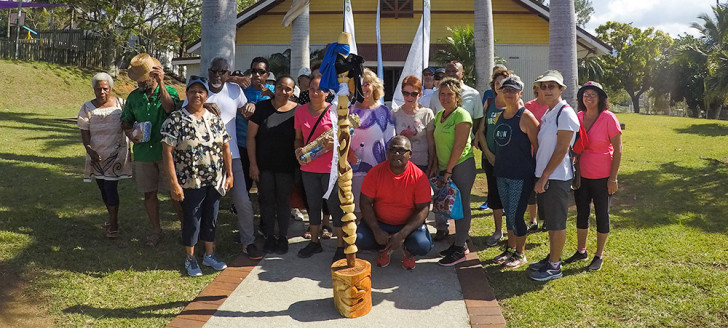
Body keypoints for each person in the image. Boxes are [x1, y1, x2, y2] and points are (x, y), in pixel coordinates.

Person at [185, 57, 261, 260]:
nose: (217, 75)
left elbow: (246, 112)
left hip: (232, 155)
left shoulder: (235, 91)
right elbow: (183, 112)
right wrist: (203, 106)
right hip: (204, 158)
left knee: (243, 201)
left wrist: (251, 105)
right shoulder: (199, 90)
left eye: (222, 71)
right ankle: (204, 245)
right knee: (205, 205)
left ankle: (248, 242)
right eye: (214, 71)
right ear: (208, 71)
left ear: (228, 73)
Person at [161, 76, 233, 277]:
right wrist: (174, 183)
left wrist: (230, 174)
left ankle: (210, 255)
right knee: (192, 219)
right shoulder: (176, 119)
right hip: (190, 180)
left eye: (201, 91)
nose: (197, 95)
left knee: (211, 217)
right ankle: (190, 258)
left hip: (214, 179)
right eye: (192, 91)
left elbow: (225, 147)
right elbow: (167, 151)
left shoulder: (214, 118)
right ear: (187, 94)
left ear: (207, 95)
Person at [121, 53, 183, 247]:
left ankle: (186, 227)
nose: (139, 84)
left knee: (175, 192)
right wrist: (131, 133)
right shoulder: (133, 97)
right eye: (137, 81)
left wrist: (162, 84)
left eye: (142, 80)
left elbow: (170, 109)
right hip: (144, 153)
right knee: (149, 193)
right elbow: (126, 120)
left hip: (167, 154)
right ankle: (157, 230)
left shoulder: (169, 91)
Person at [563, 81, 622, 271]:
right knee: (582, 213)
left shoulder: (608, 118)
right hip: (582, 175)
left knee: (602, 215)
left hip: (603, 177)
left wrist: (613, 179)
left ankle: (599, 255)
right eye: (585, 94)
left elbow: (618, 151)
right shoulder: (578, 116)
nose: (588, 97)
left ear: (600, 98)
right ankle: (581, 251)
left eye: (593, 94)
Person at [528, 70, 580, 282]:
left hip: (556, 178)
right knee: (550, 221)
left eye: (552, 86)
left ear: (561, 90)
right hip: (547, 176)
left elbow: (561, 150)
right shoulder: (550, 112)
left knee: (557, 222)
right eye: (544, 86)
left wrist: (544, 177)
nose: (547, 90)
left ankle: (555, 267)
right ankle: (552, 258)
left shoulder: (565, 113)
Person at [356, 136, 434, 270]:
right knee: (359, 239)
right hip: (381, 223)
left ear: (410, 154)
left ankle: (407, 250)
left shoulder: (419, 177)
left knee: (422, 245)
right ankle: (384, 249)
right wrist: (376, 230)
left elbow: (423, 209)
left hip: (407, 225)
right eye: (392, 150)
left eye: (402, 151)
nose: (396, 154)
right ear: (387, 153)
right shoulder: (375, 173)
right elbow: (365, 203)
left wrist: (402, 234)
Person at [488, 75, 540, 269]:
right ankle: (510, 248)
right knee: (508, 214)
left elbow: (538, 146)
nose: (508, 93)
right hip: (502, 172)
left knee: (516, 215)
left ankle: (521, 252)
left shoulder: (526, 117)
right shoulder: (502, 115)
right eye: (505, 90)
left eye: (513, 90)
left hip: (521, 174)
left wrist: (536, 174)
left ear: (520, 93)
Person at [294, 76, 346, 261]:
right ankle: (314, 242)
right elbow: (298, 138)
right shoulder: (300, 111)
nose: (315, 93)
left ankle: (340, 246)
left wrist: (337, 143)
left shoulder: (335, 111)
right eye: (311, 89)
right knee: (313, 205)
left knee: (335, 206)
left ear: (327, 92)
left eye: (319, 89)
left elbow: (346, 137)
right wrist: (297, 151)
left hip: (330, 168)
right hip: (308, 167)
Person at [248, 75, 299, 254]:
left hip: (287, 166)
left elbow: (299, 140)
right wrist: (253, 164)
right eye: (280, 87)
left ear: (293, 92)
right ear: (274, 88)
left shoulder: (297, 111)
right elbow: (251, 138)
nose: (283, 92)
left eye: (288, 89)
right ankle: (269, 236)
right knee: (267, 202)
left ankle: (283, 236)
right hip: (264, 166)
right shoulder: (262, 108)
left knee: (284, 202)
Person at [77, 72, 132, 239]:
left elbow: (129, 123)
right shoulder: (87, 107)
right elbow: (84, 131)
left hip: (116, 155)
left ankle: (114, 224)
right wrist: (89, 149)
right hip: (96, 156)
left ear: (110, 88)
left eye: (105, 89)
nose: (102, 92)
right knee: (102, 188)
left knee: (110, 188)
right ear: (93, 89)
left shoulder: (121, 104)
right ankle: (111, 218)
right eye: (98, 89)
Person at [433, 77, 477, 266]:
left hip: (461, 166)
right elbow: (436, 143)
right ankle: (458, 243)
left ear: (457, 97)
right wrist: (438, 167)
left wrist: (448, 171)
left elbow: (459, 146)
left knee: (463, 206)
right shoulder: (439, 115)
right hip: (445, 167)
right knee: (453, 207)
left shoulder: (462, 115)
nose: (445, 98)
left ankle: (460, 247)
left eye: (449, 94)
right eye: (442, 94)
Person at [350, 68, 396, 218]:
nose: (363, 88)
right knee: (355, 208)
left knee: (376, 209)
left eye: (367, 84)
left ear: (374, 86)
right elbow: (340, 138)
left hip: (378, 169)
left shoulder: (384, 111)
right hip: (353, 169)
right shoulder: (348, 111)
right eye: (360, 84)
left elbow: (390, 141)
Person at [474, 67, 510, 247]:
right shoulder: (489, 102)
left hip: (509, 160)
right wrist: (488, 153)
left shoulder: (515, 104)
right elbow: (481, 131)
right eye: (497, 84)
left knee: (510, 196)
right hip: (490, 158)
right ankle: (498, 230)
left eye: (503, 84)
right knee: (494, 195)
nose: (500, 87)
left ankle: (513, 232)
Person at [392, 75, 436, 173]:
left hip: (421, 164)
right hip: (400, 165)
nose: (409, 97)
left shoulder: (427, 113)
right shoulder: (394, 113)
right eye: (406, 93)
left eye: (413, 94)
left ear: (420, 94)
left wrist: (432, 164)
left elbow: (431, 143)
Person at [524, 80, 550, 232]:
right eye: (541, 86)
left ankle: (546, 219)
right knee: (530, 189)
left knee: (545, 188)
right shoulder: (529, 106)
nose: (543, 89)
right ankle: (533, 220)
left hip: (545, 154)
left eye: (547, 86)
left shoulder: (552, 106)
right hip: (530, 153)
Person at [429, 61, 483, 133]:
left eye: (455, 71)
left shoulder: (474, 94)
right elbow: (432, 120)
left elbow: (478, 119)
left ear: (462, 73)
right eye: (448, 71)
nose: (451, 74)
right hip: (441, 141)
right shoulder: (436, 95)